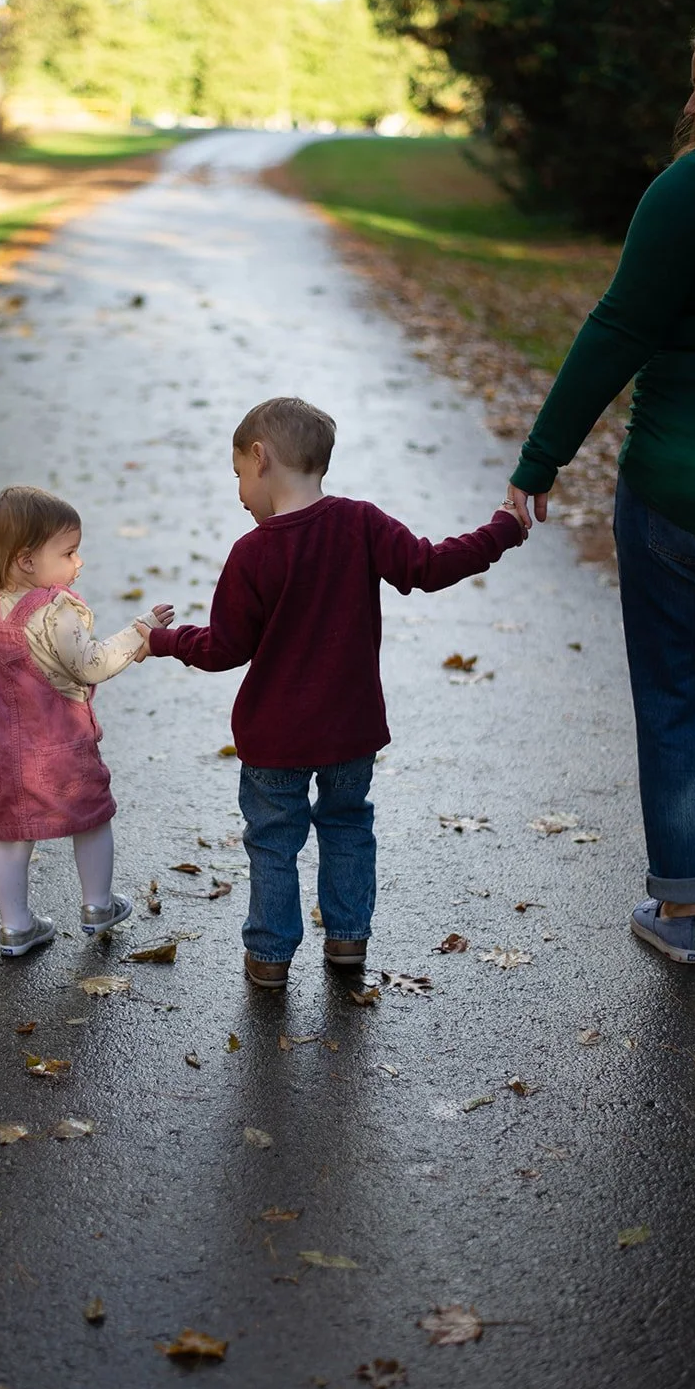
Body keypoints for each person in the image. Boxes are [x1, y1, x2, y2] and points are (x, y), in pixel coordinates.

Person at [137, 397, 526, 989]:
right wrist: (500, 531)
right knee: (347, 826)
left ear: (261, 459)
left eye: (239, 473)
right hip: (350, 730)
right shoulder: (360, 523)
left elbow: (224, 648)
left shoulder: (253, 553)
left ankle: (269, 954)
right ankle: (347, 940)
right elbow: (429, 565)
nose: (240, 491)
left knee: (272, 841)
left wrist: (164, 640)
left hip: (274, 740)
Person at [507, 3, 695, 968]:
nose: (687, 99)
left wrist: (539, 462)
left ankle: (680, 918)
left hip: (684, 496)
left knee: (685, 700)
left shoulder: (693, 187)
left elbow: (618, 331)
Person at [0, 485, 173, 955]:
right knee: (91, 818)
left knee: (9, 837)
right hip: (62, 751)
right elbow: (91, 664)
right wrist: (139, 632)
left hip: (2, 752)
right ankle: (98, 905)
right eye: (68, 552)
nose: (78, 562)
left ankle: (16, 927)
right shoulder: (54, 611)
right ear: (26, 560)